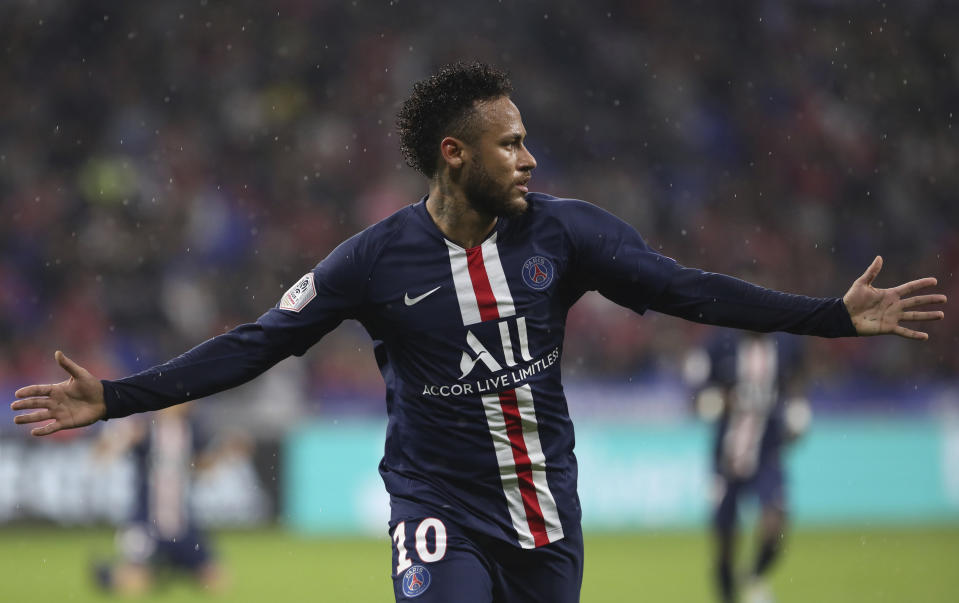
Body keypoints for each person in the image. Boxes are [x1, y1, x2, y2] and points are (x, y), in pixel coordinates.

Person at [11, 62, 946, 603]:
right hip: (436, 508)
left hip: (544, 515)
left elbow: (686, 290)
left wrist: (828, 317)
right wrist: (118, 398)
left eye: (528, 139)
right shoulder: (373, 260)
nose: (529, 156)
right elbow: (256, 342)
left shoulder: (565, 233)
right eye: (510, 142)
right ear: (454, 154)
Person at [689, 330, 810, 603]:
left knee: (775, 523)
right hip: (726, 458)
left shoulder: (786, 343)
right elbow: (696, 392)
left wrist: (798, 409)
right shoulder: (719, 344)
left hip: (767, 453)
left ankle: (754, 576)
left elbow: (798, 377)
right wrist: (717, 402)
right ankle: (729, 597)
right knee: (724, 546)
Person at [90, 402, 230, 595]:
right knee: (136, 584)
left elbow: (202, 466)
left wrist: (222, 453)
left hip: (182, 521)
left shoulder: (192, 430)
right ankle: (113, 576)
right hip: (146, 520)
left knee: (217, 581)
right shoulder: (146, 429)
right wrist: (119, 438)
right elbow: (107, 448)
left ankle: (166, 570)